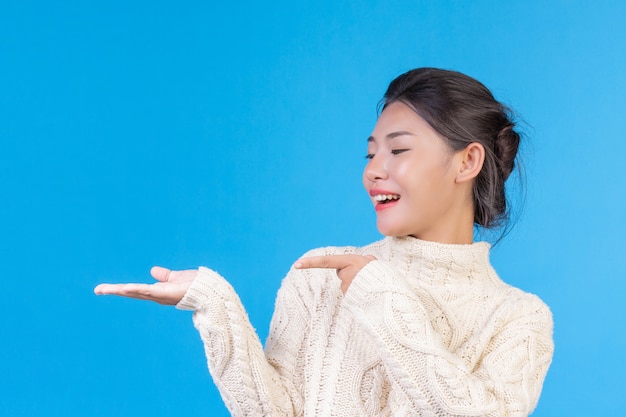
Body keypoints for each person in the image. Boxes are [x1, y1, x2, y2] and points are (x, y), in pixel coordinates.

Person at [95, 68, 554, 416]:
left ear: (467, 161)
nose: (374, 170)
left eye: (398, 150)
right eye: (371, 152)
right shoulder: (323, 276)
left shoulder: (518, 320)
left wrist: (384, 302)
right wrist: (217, 307)